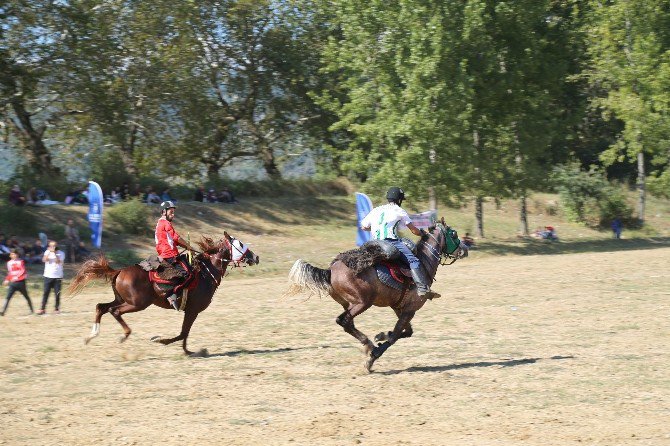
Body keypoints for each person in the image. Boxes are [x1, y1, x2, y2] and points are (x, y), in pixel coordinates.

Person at [360, 186, 439, 300]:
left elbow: (363, 227)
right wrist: (423, 234)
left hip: (373, 243)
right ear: (399, 200)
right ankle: (422, 289)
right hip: (390, 242)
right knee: (414, 260)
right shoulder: (399, 210)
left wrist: (374, 229)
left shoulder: (376, 209)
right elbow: (413, 230)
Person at [155, 201, 195, 310]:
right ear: (164, 212)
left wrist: (185, 246)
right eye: (171, 212)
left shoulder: (159, 223)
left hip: (164, 254)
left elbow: (172, 240)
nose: (173, 214)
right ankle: (172, 295)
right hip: (170, 255)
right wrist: (189, 247)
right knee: (189, 274)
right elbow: (176, 237)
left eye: (173, 212)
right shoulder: (166, 223)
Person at [1, 249, 34, 316]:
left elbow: (23, 271)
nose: (14, 255)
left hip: (21, 282)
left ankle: (32, 310)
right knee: (8, 297)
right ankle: (3, 311)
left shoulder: (21, 261)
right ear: (10, 255)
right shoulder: (9, 263)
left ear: (17, 255)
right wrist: (7, 279)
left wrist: (17, 277)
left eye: (15, 254)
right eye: (12, 254)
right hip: (13, 283)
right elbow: (10, 273)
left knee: (26, 296)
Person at [39, 240, 65, 315]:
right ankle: (42, 308)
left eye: (54, 246)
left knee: (57, 293)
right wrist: (49, 252)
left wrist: (54, 253)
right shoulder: (47, 252)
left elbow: (58, 261)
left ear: (56, 246)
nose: (52, 247)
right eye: (51, 246)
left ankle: (56, 309)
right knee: (45, 293)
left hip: (58, 276)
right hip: (48, 275)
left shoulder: (61, 253)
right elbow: (44, 260)